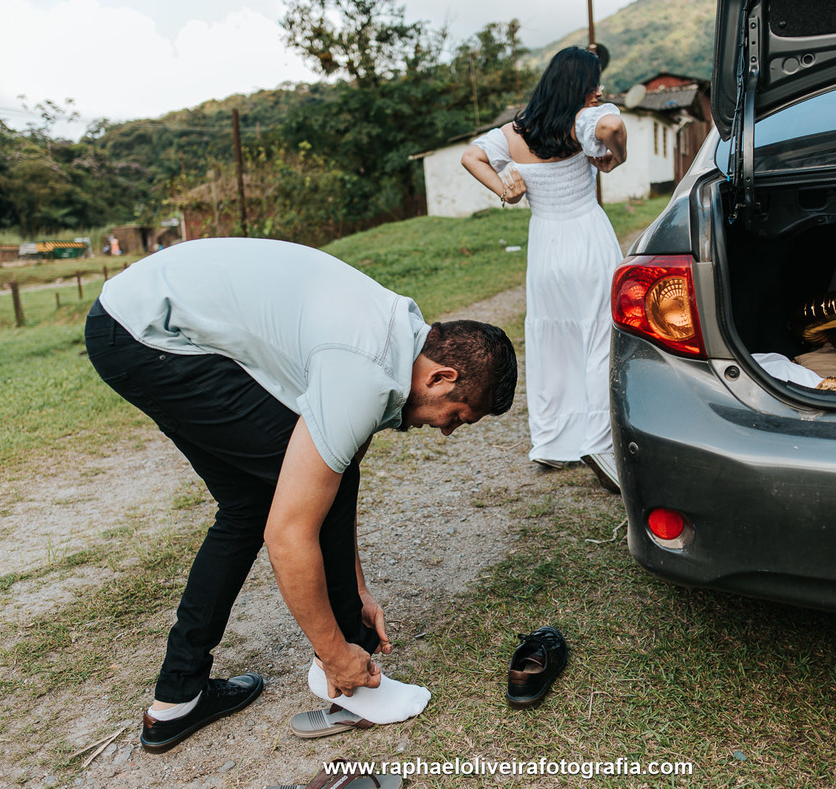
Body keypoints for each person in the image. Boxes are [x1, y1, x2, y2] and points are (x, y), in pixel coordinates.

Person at [83, 237, 517, 752]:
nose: (445, 430)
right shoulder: (365, 370)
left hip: (135, 319)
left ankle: (178, 698)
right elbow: (289, 534)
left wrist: (355, 590)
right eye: (456, 416)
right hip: (145, 332)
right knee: (301, 495)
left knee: (253, 502)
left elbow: (334, 467)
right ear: (442, 377)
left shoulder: (399, 338)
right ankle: (347, 678)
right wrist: (333, 648)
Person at [460, 45, 626, 492]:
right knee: (597, 337)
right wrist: (617, 155)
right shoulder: (584, 119)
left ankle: (554, 441)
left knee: (552, 338)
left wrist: (505, 189)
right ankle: (599, 443)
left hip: (547, 246)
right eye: (595, 84)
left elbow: (469, 157)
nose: (599, 91)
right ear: (581, 86)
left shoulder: (515, 130)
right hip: (587, 238)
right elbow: (611, 126)